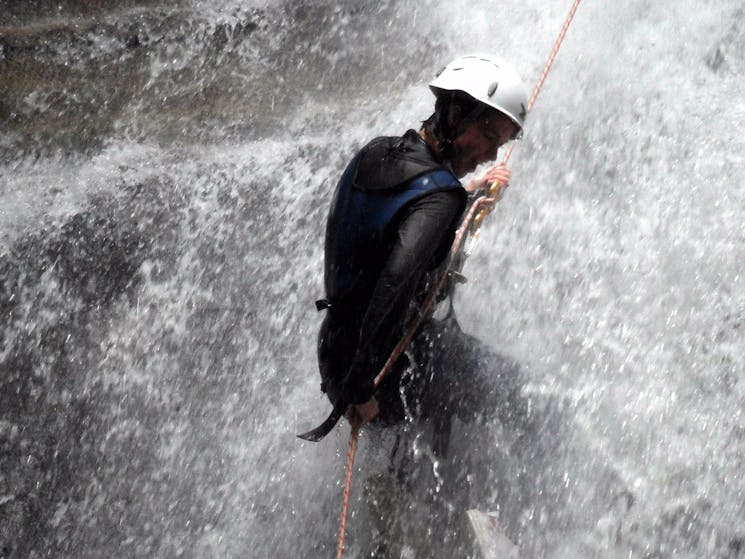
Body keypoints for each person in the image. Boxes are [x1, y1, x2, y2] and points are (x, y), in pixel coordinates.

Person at [301, 53, 530, 444]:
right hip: (382, 371)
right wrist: (361, 387)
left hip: (336, 352)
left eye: (500, 144)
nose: (491, 155)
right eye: (490, 137)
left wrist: (469, 195)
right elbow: (396, 281)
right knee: (526, 397)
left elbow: (390, 224)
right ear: (456, 112)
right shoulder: (441, 199)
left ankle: (406, 479)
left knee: (454, 358)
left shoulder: (376, 152)